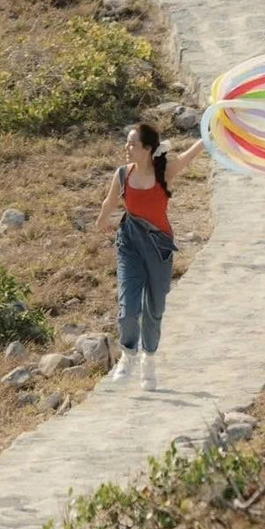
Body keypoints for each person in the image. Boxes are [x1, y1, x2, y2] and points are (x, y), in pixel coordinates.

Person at [94, 120, 207, 390]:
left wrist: (213, 130)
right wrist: (101, 221)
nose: (127, 147)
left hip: (159, 246)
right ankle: (128, 354)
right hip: (130, 243)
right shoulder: (123, 174)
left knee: (154, 309)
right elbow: (110, 202)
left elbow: (192, 154)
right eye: (127, 142)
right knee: (128, 307)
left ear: (147, 149)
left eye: (133, 143)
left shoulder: (164, 172)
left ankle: (149, 360)